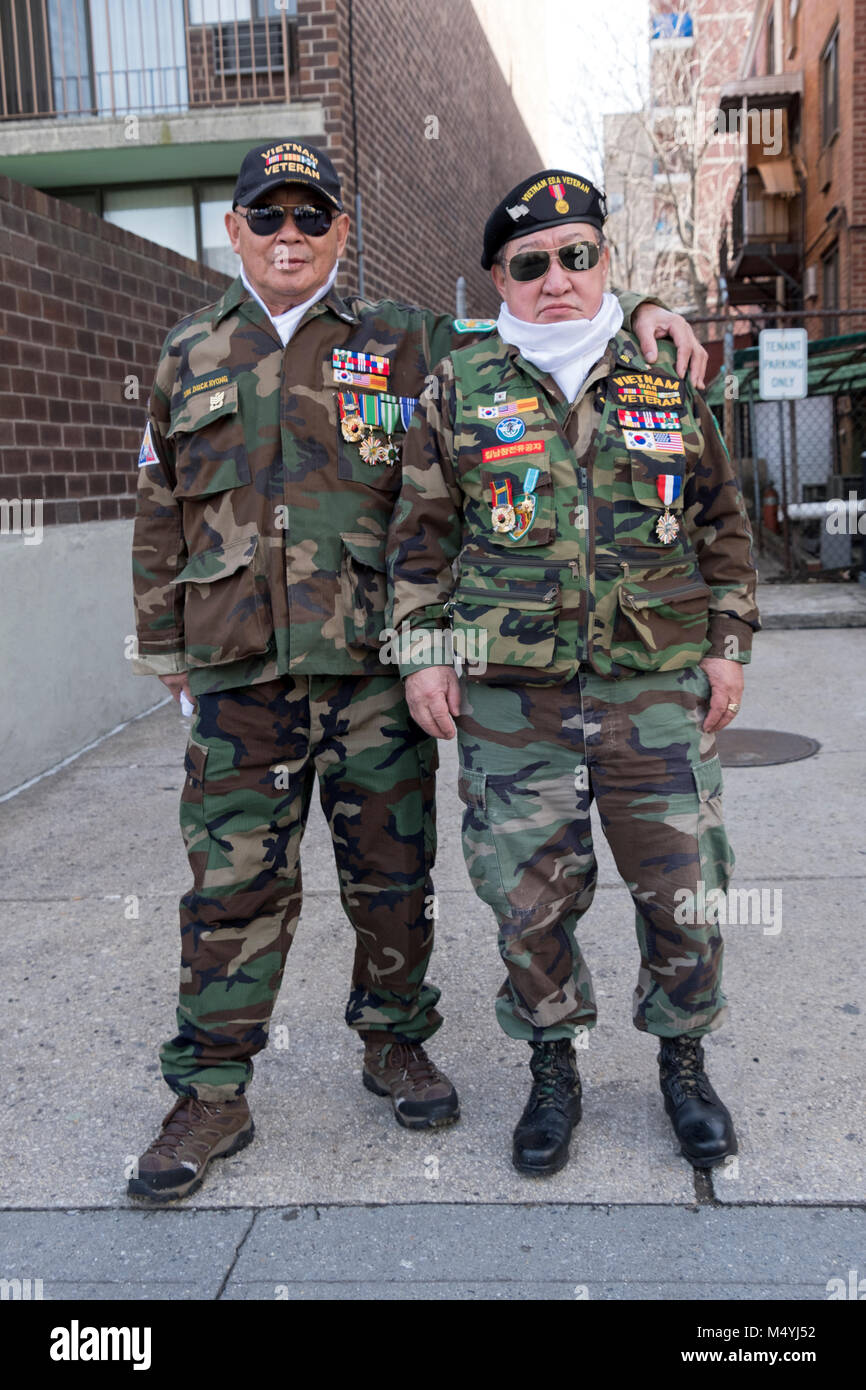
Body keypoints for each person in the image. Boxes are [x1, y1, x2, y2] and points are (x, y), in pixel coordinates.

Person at [128, 142, 710, 1200]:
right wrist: (165, 651)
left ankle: (393, 1043)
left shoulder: (407, 341)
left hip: (369, 672)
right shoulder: (185, 354)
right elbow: (157, 515)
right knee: (229, 891)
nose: (290, 238)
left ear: (342, 233)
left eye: (312, 219)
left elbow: (544, 323)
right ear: (236, 231)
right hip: (238, 675)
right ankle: (210, 1090)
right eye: (269, 219)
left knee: (391, 885)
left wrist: (647, 308)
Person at [387, 169, 760, 1178]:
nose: (556, 277)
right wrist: (422, 656)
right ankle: (553, 1067)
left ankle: (682, 1061)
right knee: (525, 897)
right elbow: (417, 543)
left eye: (577, 255)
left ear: (604, 261)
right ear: (498, 281)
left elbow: (724, 526)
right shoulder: (458, 389)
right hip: (515, 698)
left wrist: (727, 646)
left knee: (684, 888)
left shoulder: (660, 378)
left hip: (653, 687)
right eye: (529, 263)